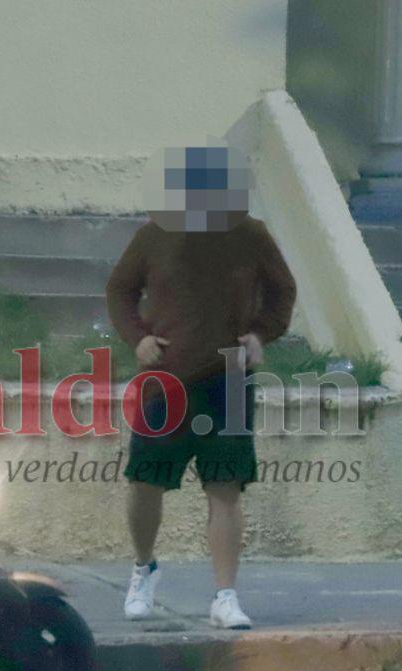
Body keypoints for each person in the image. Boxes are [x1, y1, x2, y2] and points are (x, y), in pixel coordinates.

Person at [105, 143, 296, 629]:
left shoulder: (251, 235)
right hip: (165, 380)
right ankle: (143, 569)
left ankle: (225, 597)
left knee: (224, 486)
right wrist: (138, 338)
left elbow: (283, 291)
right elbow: (120, 289)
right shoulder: (154, 235)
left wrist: (260, 334)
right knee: (146, 482)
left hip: (227, 378)